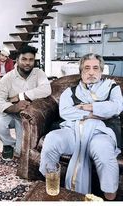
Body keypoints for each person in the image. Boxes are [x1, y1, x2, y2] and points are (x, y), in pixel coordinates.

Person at [39, 53, 123, 200]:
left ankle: (110, 196)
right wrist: (94, 114)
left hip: (100, 132)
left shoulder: (112, 88)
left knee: (103, 151)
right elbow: (65, 112)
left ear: (101, 71)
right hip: (73, 131)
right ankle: (51, 185)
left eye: (95, 68)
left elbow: (115, 108)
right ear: (81, 72)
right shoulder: (70, 91)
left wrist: (87, 106)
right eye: (87, 68)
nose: (91, 72)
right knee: (52, 139)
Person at [0, 45, 51, 160]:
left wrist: (20, 96)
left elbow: (46, 90)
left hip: (29, 117)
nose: (27, 63)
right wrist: (14, 107)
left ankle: (17, 147)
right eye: (24, 59)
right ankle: (8, 144)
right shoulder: (7, 78)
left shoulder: (38, 73)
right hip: (12, 114)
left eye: (31, 60)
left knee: (21, 154)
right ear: (17, 60)